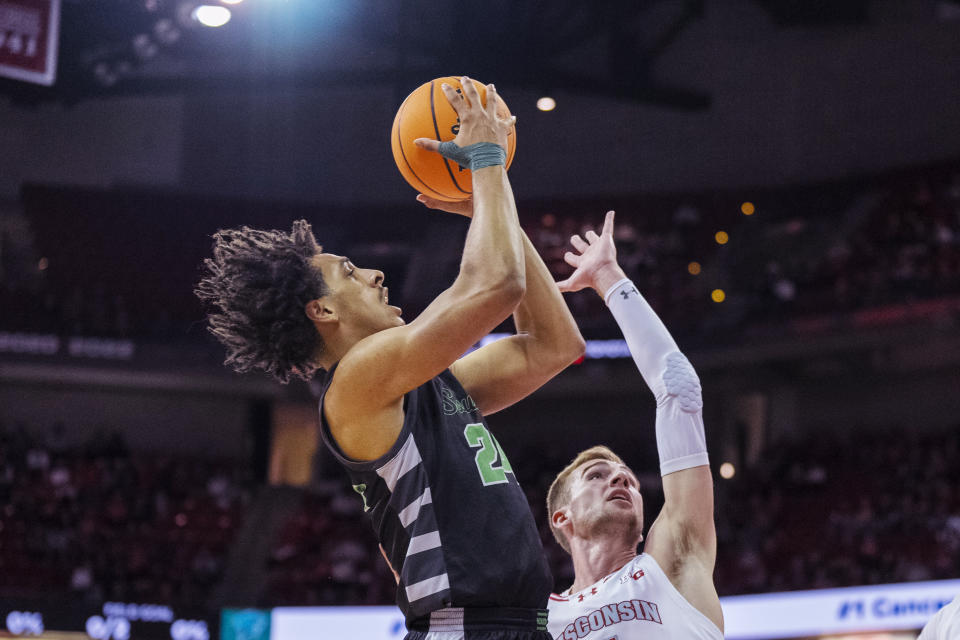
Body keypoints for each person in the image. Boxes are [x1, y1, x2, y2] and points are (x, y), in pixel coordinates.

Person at [196, 77, 585, 639]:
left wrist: (487, 203)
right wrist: (485, 164)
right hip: (465, 628)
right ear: (322, 313)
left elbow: (554, 348)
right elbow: (495, 283)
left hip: (517, 624)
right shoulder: (355, 383)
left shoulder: (424, 386)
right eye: (349, 273)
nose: (375, 274)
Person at [544, 211, 723, 640]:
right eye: (597, 475)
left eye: (627, 478)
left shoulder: (673, 561)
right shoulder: (539, 618)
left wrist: (608, 276)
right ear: (561, 517)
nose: (621, 478)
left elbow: (678, 388)